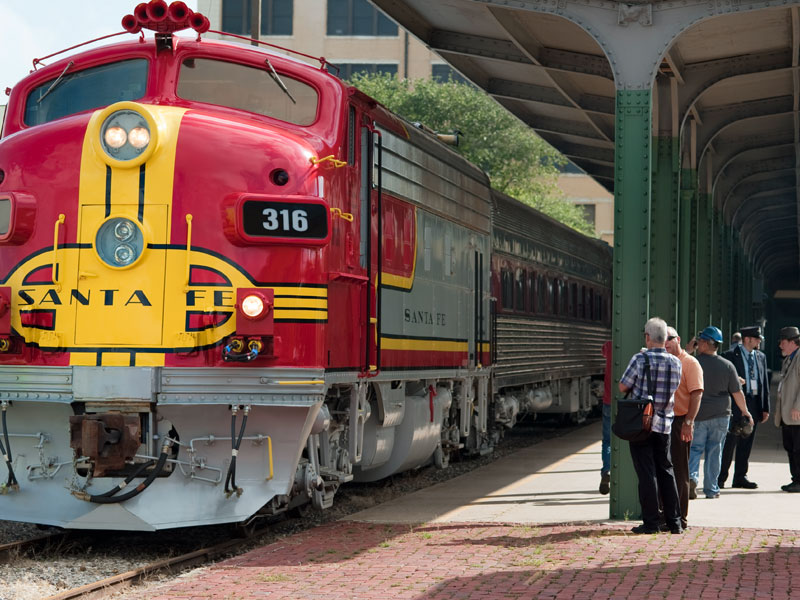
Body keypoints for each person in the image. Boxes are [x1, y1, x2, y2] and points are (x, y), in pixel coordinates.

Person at [619, 317, 683, 534]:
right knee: (666, 470)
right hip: (664, 424)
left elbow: (622, 386)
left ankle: (651, 522)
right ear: (665, 339)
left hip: (642, 424)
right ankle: (675, 522)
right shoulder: (676, 362)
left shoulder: (639, 359)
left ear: (647, 337)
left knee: (647, 473)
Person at [687, 326, 752, 500]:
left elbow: (680, 364)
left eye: (700, 341)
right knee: (715, 451)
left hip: (698, 414)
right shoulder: (727, 365)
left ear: (705, 343)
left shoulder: (693, 362)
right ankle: (711, 489)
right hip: (721, 415)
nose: (698, 343)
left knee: (694, 449)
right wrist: (746, 412)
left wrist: (688, 349)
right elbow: (737, 393)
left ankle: (691, 478)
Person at [719, 325, 770, 489]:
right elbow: (721, 379)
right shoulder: (729, 356)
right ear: (747, 339)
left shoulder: (760, 357)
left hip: (753, 402)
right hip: (735, 403)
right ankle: (721, 477)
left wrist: (765, 407)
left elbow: (764, 384)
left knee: (746, 441)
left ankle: (740, 476)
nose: (759, 342)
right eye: (757, 339)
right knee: (730, 442)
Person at [664, 326, 703, 530]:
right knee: (664, 469)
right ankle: (666, 515)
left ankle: (680, 517)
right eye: (662, 339)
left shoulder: (690, 363)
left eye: (669, 338)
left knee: (680, 470)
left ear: (678, 339)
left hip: (680, 421)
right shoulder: (664, 361)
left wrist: (688, 422)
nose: (666, 343)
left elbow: (697, 394)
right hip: (663, 421)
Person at [775, 326, 800, 492]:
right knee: (790, 446)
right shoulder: (789, 358)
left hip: (796, 413)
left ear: (792, 342)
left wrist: (798, 406)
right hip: (787, 414)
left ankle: (799, 480)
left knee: (798, 448)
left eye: (783, 342)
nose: (780, 346)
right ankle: (795, 478)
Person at [600, 340, 612, 494]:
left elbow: (603, 352)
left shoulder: (609, 346)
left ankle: (607, 470)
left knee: (608, 440)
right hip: (628, 404)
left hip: (608, 401)